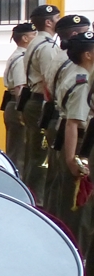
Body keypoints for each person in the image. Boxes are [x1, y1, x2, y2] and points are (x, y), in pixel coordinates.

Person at [45, 32, 94, 237]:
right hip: (79, 140)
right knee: (79, 204)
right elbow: (73, 123)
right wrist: (72, 159)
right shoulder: (82, 82)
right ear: (88, 55)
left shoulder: (75, 73)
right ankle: (76, 249)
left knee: (65, 196)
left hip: (71, 135)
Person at [19, 4, 61, 205]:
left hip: (32, 101)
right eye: (57, 18)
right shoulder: (47, 46)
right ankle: (37, 201)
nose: (59, 21)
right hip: (41, 103)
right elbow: (49, 81)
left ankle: (29, 196)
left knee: (33, 154)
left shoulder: (35, 42)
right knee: (41, 158)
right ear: (48, 22)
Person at [3, 22, 36, 171]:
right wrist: (23, 112)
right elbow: (20, 88)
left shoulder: (21, 56)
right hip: (18, 106)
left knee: (18, 150)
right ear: (25, 38)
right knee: (19, 153)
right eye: (33, 35)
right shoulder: (22, 58)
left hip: (14, 105)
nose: (36, 38)